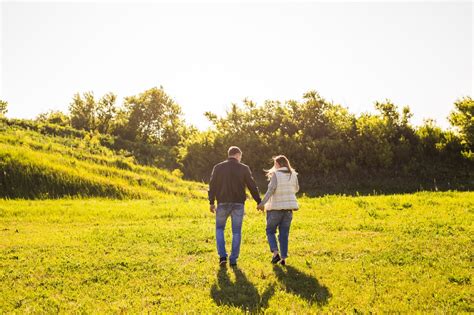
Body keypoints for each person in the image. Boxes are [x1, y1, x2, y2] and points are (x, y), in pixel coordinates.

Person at [209, 146, 262, 267]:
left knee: (219, 229)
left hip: (222, 203)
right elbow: (252, 185)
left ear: (229, 154)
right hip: (238, 204)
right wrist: (258, 201)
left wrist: (211, 202)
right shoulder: (244, 168)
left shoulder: (218, 167)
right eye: (240, 156)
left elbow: (212, 185)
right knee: (236, 232)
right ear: (237, 155)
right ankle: (233, 259)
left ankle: (222, 256)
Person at [257, 155, 299, 265]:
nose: (274, 166)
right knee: (284, 234)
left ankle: (275, 253)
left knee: (270, 231)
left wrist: (262, 204)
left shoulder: (276, 174)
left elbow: (270, 190)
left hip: (275, 209)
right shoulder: (293, 174)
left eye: (275, 163)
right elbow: (297, 188)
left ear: (278, 164)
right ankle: (284, 258)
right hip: (288, 210)